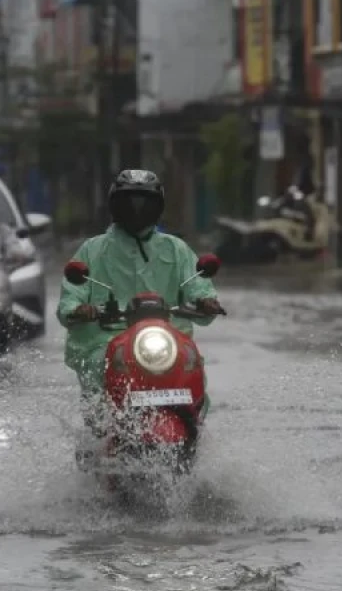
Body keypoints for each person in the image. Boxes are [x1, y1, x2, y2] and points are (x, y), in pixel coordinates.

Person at [56, 170, 225, 450]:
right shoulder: (93, 249)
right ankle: (99, 443)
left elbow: (198, 286)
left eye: (144, 203)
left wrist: (206, 301)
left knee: (194, 369)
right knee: (100, 367)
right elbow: (70, 296)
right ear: (115, 205)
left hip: (166, 341)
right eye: (129, 202)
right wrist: (79, 308)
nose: (137, 210)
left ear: (158, 206)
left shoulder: (176, 249)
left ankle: (197, 438)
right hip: (108, 340)